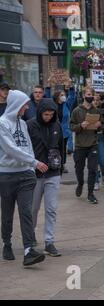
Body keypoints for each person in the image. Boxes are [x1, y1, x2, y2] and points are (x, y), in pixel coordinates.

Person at [0, 90, 48, 266]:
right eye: (24, 104)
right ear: (16, 105)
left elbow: (28, 147)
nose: (27, 107)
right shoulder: (2, 124)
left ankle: (29, 250)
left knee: (26, 211)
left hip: (25, 176)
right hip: (6, 175)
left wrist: (30, 167)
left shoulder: (23, 123)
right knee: (7, 213)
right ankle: (7, 243)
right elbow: (10, 148)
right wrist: (34, 162)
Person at [27, 99, 64, 257]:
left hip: (53, 173)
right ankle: (30, 236)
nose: (48, 117)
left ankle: (49, 241)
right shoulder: (30, 125)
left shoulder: (56, 125)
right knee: (33, 209)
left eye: (51, 114)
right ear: (40, 112)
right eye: (46, 114)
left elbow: (61, 145)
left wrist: (60, 166)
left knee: (51, 209)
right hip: (35, 174)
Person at [70, 87, 102, 204]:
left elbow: (101, 125)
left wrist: (99, 125)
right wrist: (80, 126)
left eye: (91, 94)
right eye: (88, 94)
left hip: (93, 143)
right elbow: (71, 127)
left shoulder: (96, 111)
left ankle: (90, 193)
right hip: (80, 145)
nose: (90, 96)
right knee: (79, 168)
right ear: (84, 95)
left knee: (93, 169)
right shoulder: (76, 111)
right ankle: (80, 183)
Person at [52, 87, 76, 173]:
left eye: (64, 95)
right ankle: (55, 163)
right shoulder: (52, 104)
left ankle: (62, 164)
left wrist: (71, 88)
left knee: (63, 149)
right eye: (61, 95)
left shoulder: (67, 104)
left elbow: (72, 97)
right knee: (55, 148)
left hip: (65, 131)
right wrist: (47, 88)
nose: (64, 96)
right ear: (57, 96)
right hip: (54, 131)